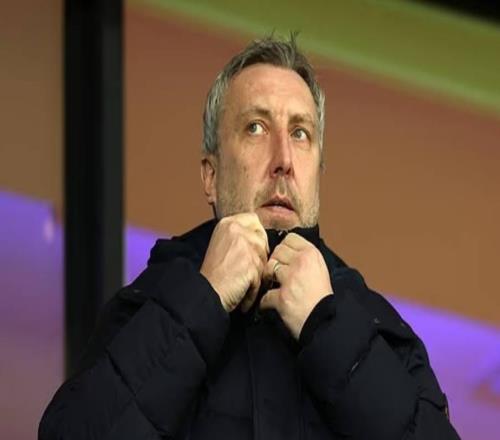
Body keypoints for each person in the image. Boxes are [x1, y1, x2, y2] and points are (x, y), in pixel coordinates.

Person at [39, 35, 460, 440]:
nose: (283, 160)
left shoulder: (374, 324)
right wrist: (203, 299)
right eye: (256, 128)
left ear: (317, 173)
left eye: (300, 133)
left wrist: (328, 328)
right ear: (211, 176)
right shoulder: (148, 306)